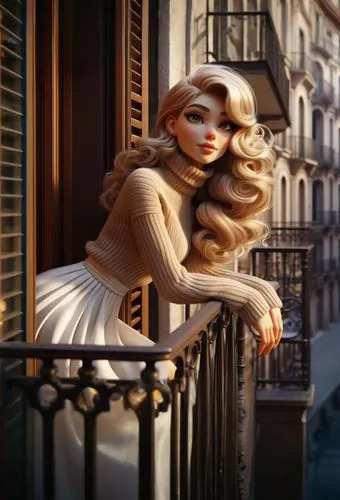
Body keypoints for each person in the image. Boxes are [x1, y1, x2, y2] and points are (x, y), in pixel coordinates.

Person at [35, 64, 283, 499]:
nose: (210, 133)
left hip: (103, 310)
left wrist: (261, 290)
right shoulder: (146, 183)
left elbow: (198, 273)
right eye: (196, 117)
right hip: (74, 304)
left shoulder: (191, 195)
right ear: (171, 121)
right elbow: (173, 285)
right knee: (105, 427)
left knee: (155, 402)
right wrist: (250, 295)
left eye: (225, 125)